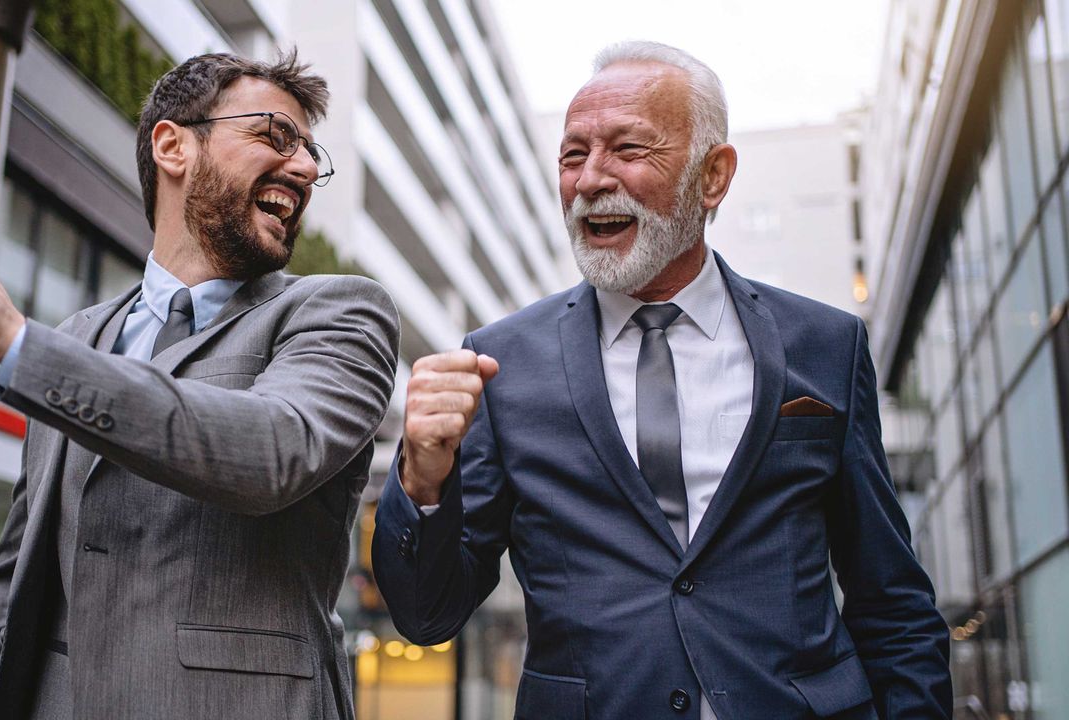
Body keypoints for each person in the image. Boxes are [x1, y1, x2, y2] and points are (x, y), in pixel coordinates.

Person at [373, 40, 950, 720]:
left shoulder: (825, 345)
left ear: (713, 176)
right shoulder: (500, 363)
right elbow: (426, 614)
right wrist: (423, 480)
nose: (590, 180)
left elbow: (893, 604)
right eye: (572, 155)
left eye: (627, 149)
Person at [0, 52, 399, 719]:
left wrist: (17, 344)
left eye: (313, 152)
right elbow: (15, 585)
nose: (307, 168)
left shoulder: (340, 311)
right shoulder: (80, 334)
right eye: (276, 137)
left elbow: (270, 451)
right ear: (173, 146)